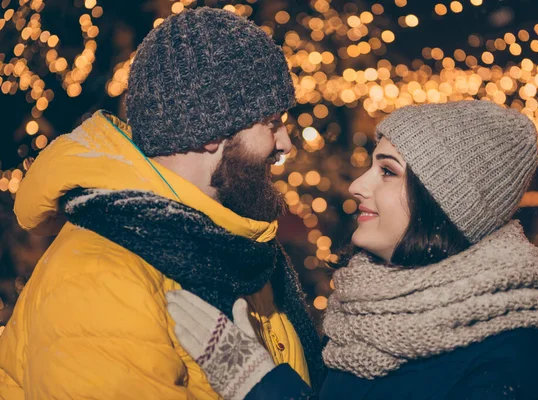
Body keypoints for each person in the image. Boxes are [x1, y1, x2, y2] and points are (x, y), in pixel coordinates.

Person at [0, 7, 324, 399]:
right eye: (271, 123)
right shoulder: (101, 281)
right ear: (210, 131)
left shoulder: (231, 250)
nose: (286, 143)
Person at [166, 100, 538, 400]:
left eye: (387, 171)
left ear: (442, 202)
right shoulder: (362, 313)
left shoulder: (514, 348)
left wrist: (262, 385)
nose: (357, 186)